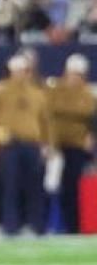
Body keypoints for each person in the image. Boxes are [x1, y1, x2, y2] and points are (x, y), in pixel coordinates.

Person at [0, 53, 49, 236]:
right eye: (20, 71)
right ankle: (10, 225)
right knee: (10, 186)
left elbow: (45, 121)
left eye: (26, 71)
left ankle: (34, 225)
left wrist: (46, 144)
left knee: (34, 187)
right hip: (10, 144)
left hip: (32, 144)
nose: (24, 74)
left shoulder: (37, 93)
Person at [46, 54, 93, 234]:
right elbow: (48, 115)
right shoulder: (54, 91)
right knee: (51, 185)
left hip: (77, 145)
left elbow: (89, 116)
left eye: (78, 75)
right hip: (55, 145)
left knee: (73, 187)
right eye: (72, 74)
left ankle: (73, 226)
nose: (74, 79)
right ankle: (49, 224)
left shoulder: (88, 95)